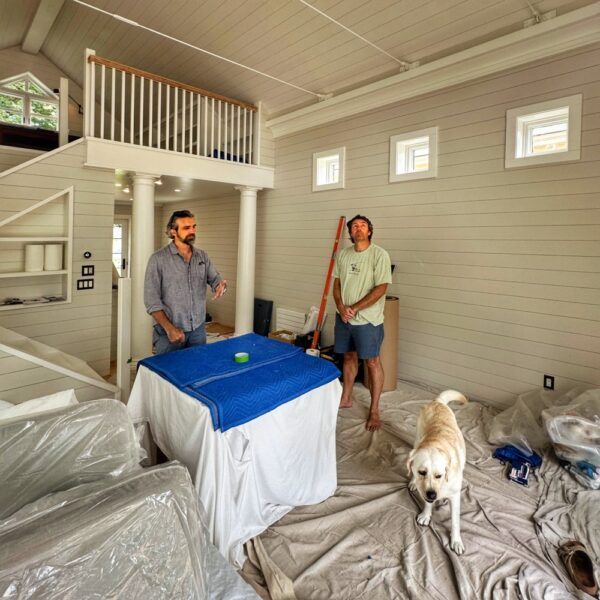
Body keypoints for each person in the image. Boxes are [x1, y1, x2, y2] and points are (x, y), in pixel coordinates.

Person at [333, 214, 392, 431]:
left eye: (363, 226)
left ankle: (374, 410)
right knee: (348, 357)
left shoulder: (380, 255)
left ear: (369, 231)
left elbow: (381, 288)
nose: (358, 229)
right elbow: (337, 285)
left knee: (372, 362)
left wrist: (355, 308)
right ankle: (346, 397)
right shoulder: (344, 255)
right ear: (350, 233)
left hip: (368, 320)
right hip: (344, 319)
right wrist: (340, 307)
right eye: (354, 226)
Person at [144, 210, 227, 354]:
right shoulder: (157, 259)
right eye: (186, 228)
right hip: (169, 333)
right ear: (173, 231)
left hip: (198, 331)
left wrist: (220, 285)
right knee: (168, 373)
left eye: (194, 226)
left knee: (196, 372)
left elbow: (215, 279)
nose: (192, 231)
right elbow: (151, 301)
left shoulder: (202, 256)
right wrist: (170, 329)